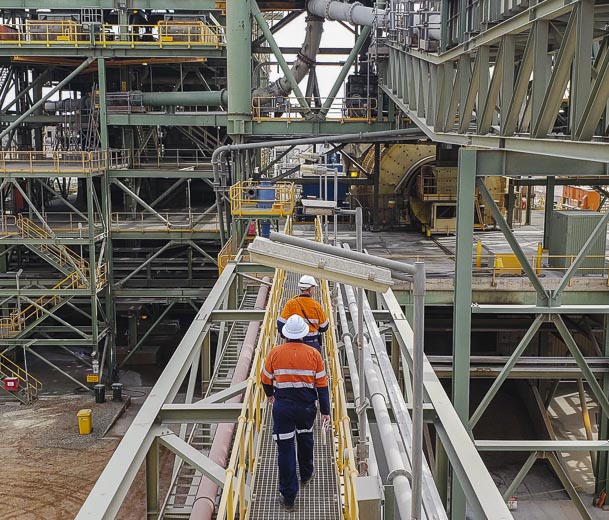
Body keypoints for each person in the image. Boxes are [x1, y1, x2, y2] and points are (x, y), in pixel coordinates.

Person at [261, 314, 331, 512]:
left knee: (285, 449)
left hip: (283, 407)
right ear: (303, 334)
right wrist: (325, 411)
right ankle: (307, 474)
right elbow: (322, 386)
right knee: (306, 438)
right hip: (306, 407)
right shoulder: (314, 355)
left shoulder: (275, 353)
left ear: (285, 335)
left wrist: (270, 396)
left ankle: (289, 496)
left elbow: (265, 380)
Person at [277, 275, 329, 353]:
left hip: (293, 343)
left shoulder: (291, 303)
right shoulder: (316, 305)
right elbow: (324, 327)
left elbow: (280, 324)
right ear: (310, 289)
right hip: (312, 343)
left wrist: (285, 336)